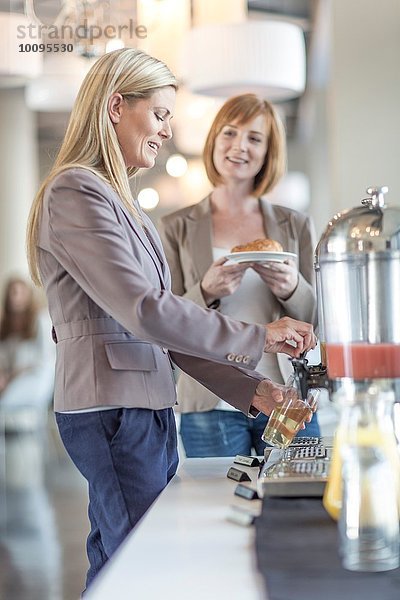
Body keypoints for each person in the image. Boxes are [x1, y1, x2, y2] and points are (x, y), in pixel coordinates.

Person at [26, 48, 316, 589]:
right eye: (159, 114)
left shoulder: (125, 205)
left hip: (143, 409)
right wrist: (261, 336)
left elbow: (165, 331)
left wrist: (252, 391)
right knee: (143, 569)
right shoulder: (75, 190)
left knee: (120, 564)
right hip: (111, 409)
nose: (165, 131)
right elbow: (145, 311)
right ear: (116, 106)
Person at [159, 93, 320, 458]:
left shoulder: (294, 224)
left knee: (296, 500)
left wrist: (292, 287)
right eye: (230, 133)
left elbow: (316, 321)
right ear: (214, 139)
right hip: (211, 400)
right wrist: (205, 290)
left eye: (254, 138)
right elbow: (162, 320)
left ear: (269, 152)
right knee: (218, 508)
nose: (239, 147)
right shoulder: (176, 227)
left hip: (288, 395)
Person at [0, 277, 55, 431]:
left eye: (19, 292)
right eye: (12, 292)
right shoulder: (5, 326)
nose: (15, 296)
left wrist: (13, 375)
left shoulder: (40, 320)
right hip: (10, 380)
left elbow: (45, 358)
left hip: (36, 379)